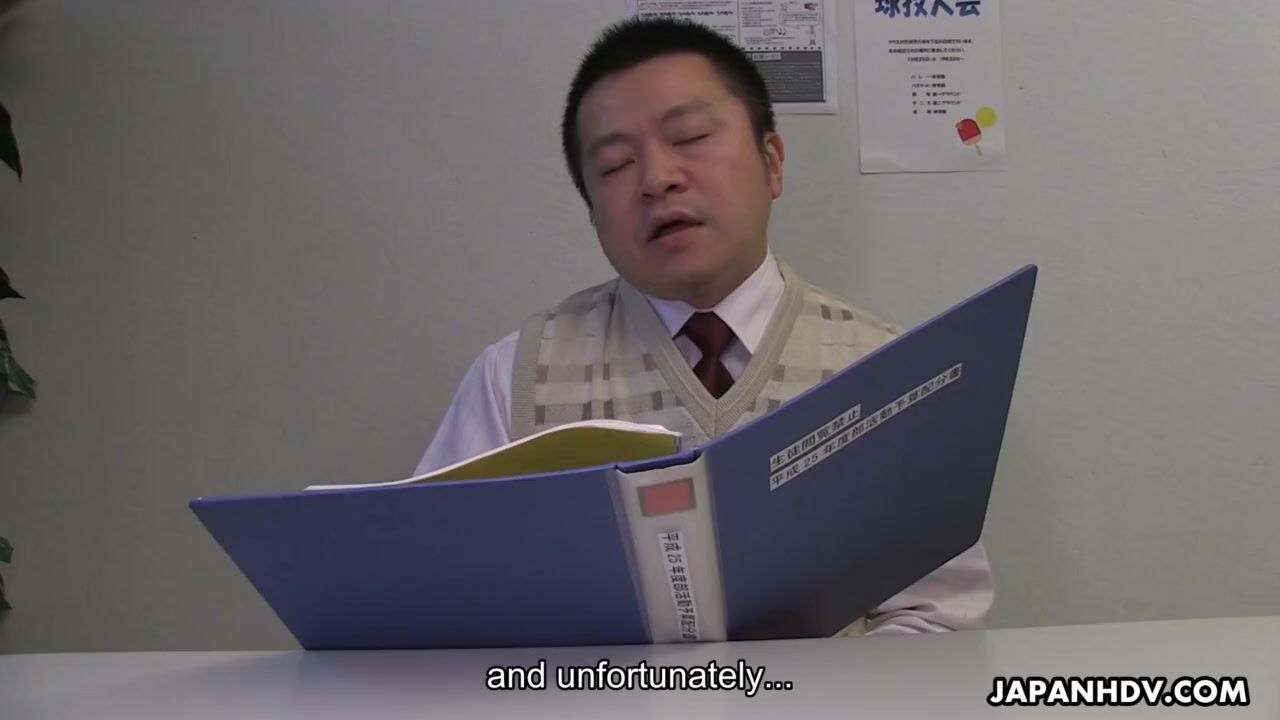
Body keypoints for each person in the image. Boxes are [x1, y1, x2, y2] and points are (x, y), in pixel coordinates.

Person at [414, 16, 993, 636]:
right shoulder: (514, 379)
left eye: (689, 137)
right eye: (615, 165)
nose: (657, 178)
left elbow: (938, 618)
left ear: (771, 162)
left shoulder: (888, 370)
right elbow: (434, 599)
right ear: (592, 211)